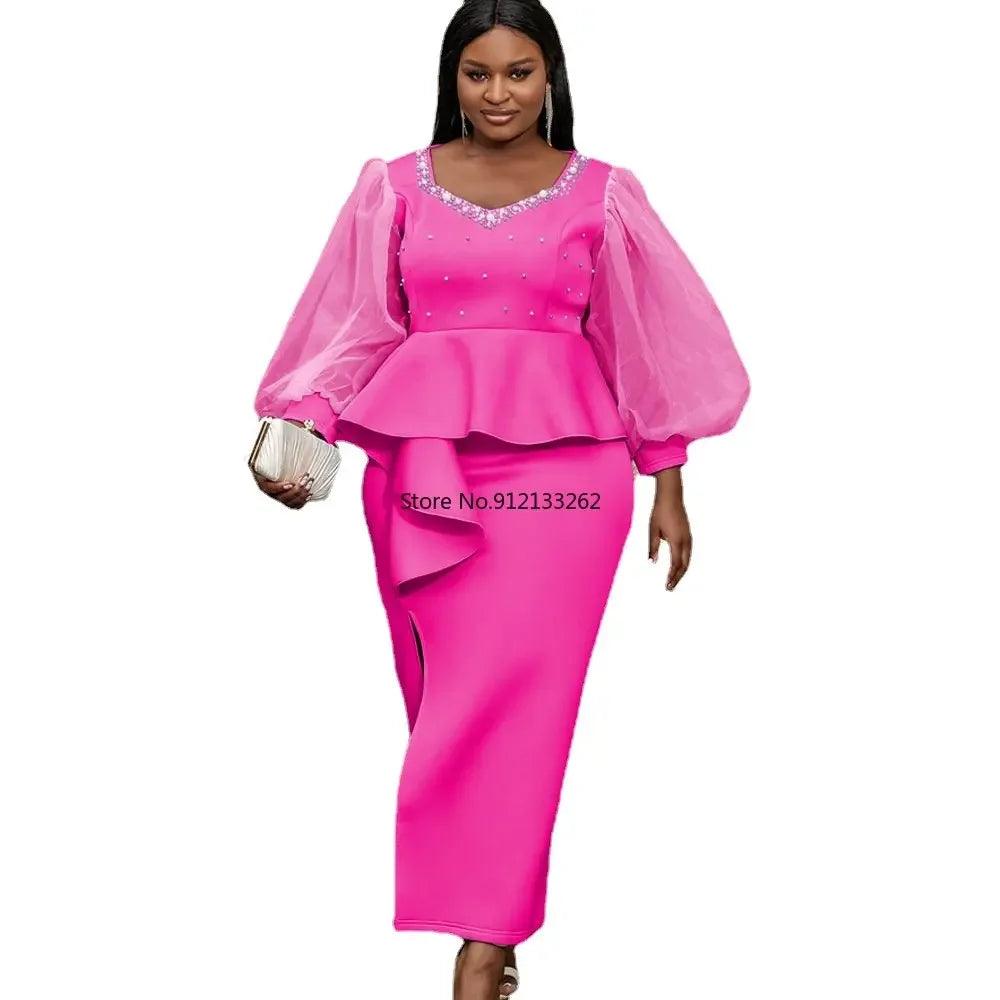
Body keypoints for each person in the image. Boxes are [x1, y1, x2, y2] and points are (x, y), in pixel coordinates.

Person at [250, 2, 750, 997]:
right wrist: (301, 421)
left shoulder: (604, 193)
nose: (498, 93)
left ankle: (485, 940)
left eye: (519, 72)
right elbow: (355, 319)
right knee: (446, 701)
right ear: (453, 77)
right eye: (478, 73)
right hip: (420, 471)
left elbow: (641, 340)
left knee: (530, 703)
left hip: (568, 483)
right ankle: (491, 903)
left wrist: (668, 478)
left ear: (549, 75)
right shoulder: (392, 185)